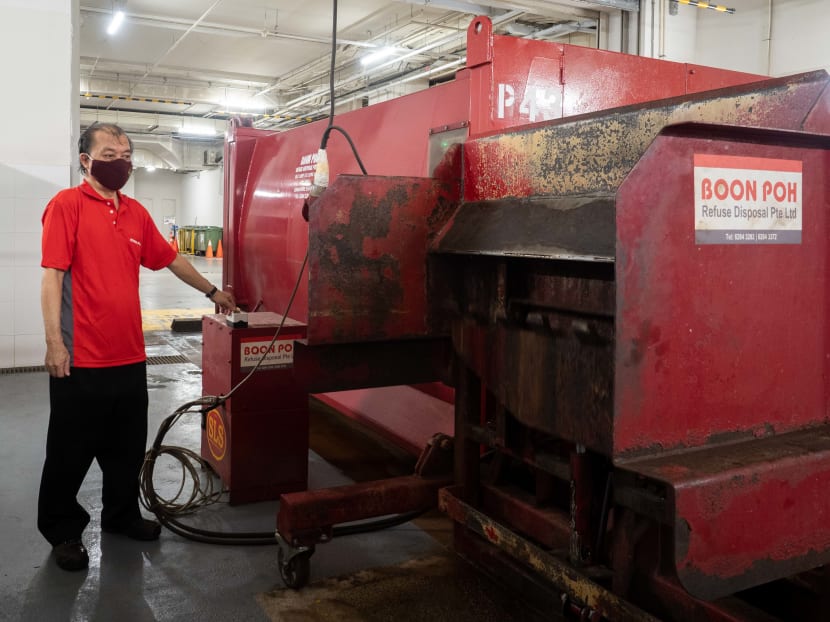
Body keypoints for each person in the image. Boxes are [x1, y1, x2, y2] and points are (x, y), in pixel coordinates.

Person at [38, 122, 235, 571]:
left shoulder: (135, 213)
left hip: (130, 356)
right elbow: (51, 276)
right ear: (86, 161)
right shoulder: (66, 206)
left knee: (126, 450)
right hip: (80, 359)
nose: (120, 160)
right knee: (69, 454)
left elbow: (171, 259)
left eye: (125, 153)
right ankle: (63, 530)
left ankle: (122, 516)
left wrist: (212, 291)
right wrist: (54, 343)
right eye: (109, 152)